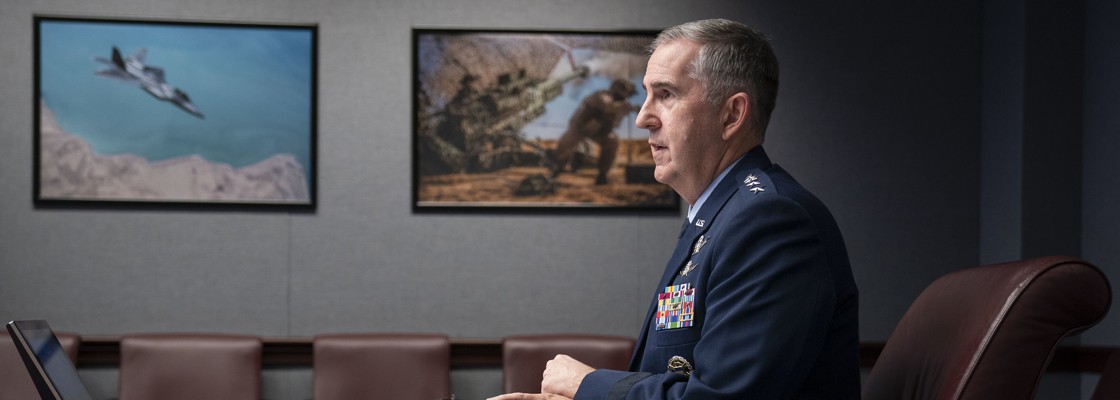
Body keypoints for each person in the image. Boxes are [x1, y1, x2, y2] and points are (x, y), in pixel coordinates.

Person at [490, 18, 859, 400]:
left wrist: (587, 385)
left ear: (732, 115)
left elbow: (720, 397)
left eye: (665, 94)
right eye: (646, 95)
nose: (642, 118)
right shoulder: (720, 215)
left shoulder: (770, 220)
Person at [550, 79, 638, 185]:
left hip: (599, 132)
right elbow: (607, 106)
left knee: (612, 141)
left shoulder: (622, 104)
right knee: (564, 148)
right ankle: (554, 171)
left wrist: (633, 109)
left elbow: (615, 122)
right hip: (580, 128)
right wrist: (624, 106)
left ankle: (603, 174)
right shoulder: (602, 95)